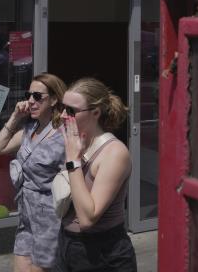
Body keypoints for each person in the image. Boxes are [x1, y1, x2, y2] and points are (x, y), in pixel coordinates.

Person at [56, 77, 136, 272]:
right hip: (67, 244)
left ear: (96, 112)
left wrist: (73, 162)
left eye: (72, 111)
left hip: (103, 253)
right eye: (62, 107)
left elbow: (87, 219)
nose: (63, 115)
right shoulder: (75, 143)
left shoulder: (115, 152)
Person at [0, 73, 67, 272]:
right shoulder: (29, 130)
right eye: (29, 95)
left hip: (49, 217)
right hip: (26, 213)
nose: (31, 101)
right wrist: (16, 117)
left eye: (37, 96)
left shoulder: (64, 135)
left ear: (53, 99)